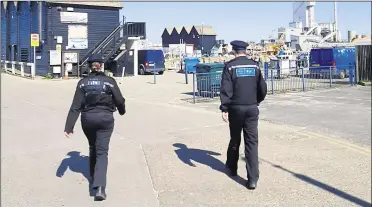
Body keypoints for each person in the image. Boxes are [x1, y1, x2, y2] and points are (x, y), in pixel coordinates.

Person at [64, 54, 126, 201]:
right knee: (102, 152)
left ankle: (92, 177)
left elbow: (75, 106)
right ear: (101, 65)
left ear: (90, 66)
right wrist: (122, 110)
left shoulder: (82, 83)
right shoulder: (109, 81)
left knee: (93, 147)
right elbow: (119, 100)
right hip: (105, 119)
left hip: (88, 119)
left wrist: (69, 126)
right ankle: (100, 188)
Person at [219, 40, 267, 190]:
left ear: (234, 50)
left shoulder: (230, 66)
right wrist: (256, 102)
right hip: (252, 108)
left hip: (235, 109)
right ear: (245, 50)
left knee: (235, 138)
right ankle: (252, 179)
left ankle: (232, 168)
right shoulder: (255, 65)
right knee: (251, 143)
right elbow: (262, 88)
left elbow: (226, 90)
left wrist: (224, 108)